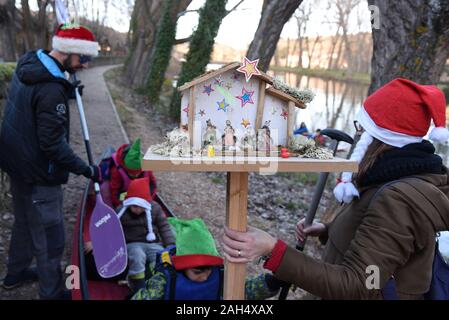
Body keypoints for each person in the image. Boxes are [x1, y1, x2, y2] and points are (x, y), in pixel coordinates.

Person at [222, 78, 449, 299]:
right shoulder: (397, 173)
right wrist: (330, 229)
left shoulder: (400, 197)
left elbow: (360, 285)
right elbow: (385, 234)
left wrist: (274, 249)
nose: (358, 132)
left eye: (361, 126)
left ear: (378, 137)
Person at [0, 23, 101, 299]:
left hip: (15, 162)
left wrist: (68, 90)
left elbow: (38, 99)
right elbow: (53, 145)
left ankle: (15, 274)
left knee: (23, 222)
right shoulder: (50, 90)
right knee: (50, 236)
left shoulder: (31, 61)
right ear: (68, 52)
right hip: (37, 171)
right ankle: (53, 291)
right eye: (84, 58)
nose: (85, 65)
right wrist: (86, 169)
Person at [132, 217, 286, 300]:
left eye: (208, 270)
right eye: (198, 272)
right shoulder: (164, 280)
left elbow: (245, 291)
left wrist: (270, 282)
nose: (205, 276)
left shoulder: (219, 276)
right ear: (182, 267)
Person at [116, 177, 175, 292]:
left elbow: (164, 227)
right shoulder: (121, 211)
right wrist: (97, 242)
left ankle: (158, 280)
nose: (138, 210)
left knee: (160, 257)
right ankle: (137, 283)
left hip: (152, 243)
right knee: (137, 256)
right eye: (134, 206)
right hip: (132, 243)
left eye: (141, 207)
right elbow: (110, 228)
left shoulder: (155, 208)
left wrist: (170, 245)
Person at [109, 138, 157, 209]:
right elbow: (114, 192)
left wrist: (146, 200)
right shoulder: (117, 171)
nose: (136, 175)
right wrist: (125, 204)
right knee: (105, 190)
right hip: (124, 194)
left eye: (138, 173)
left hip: (140, 195)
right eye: (132, 173)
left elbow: (152, 185)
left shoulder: (146, 169)